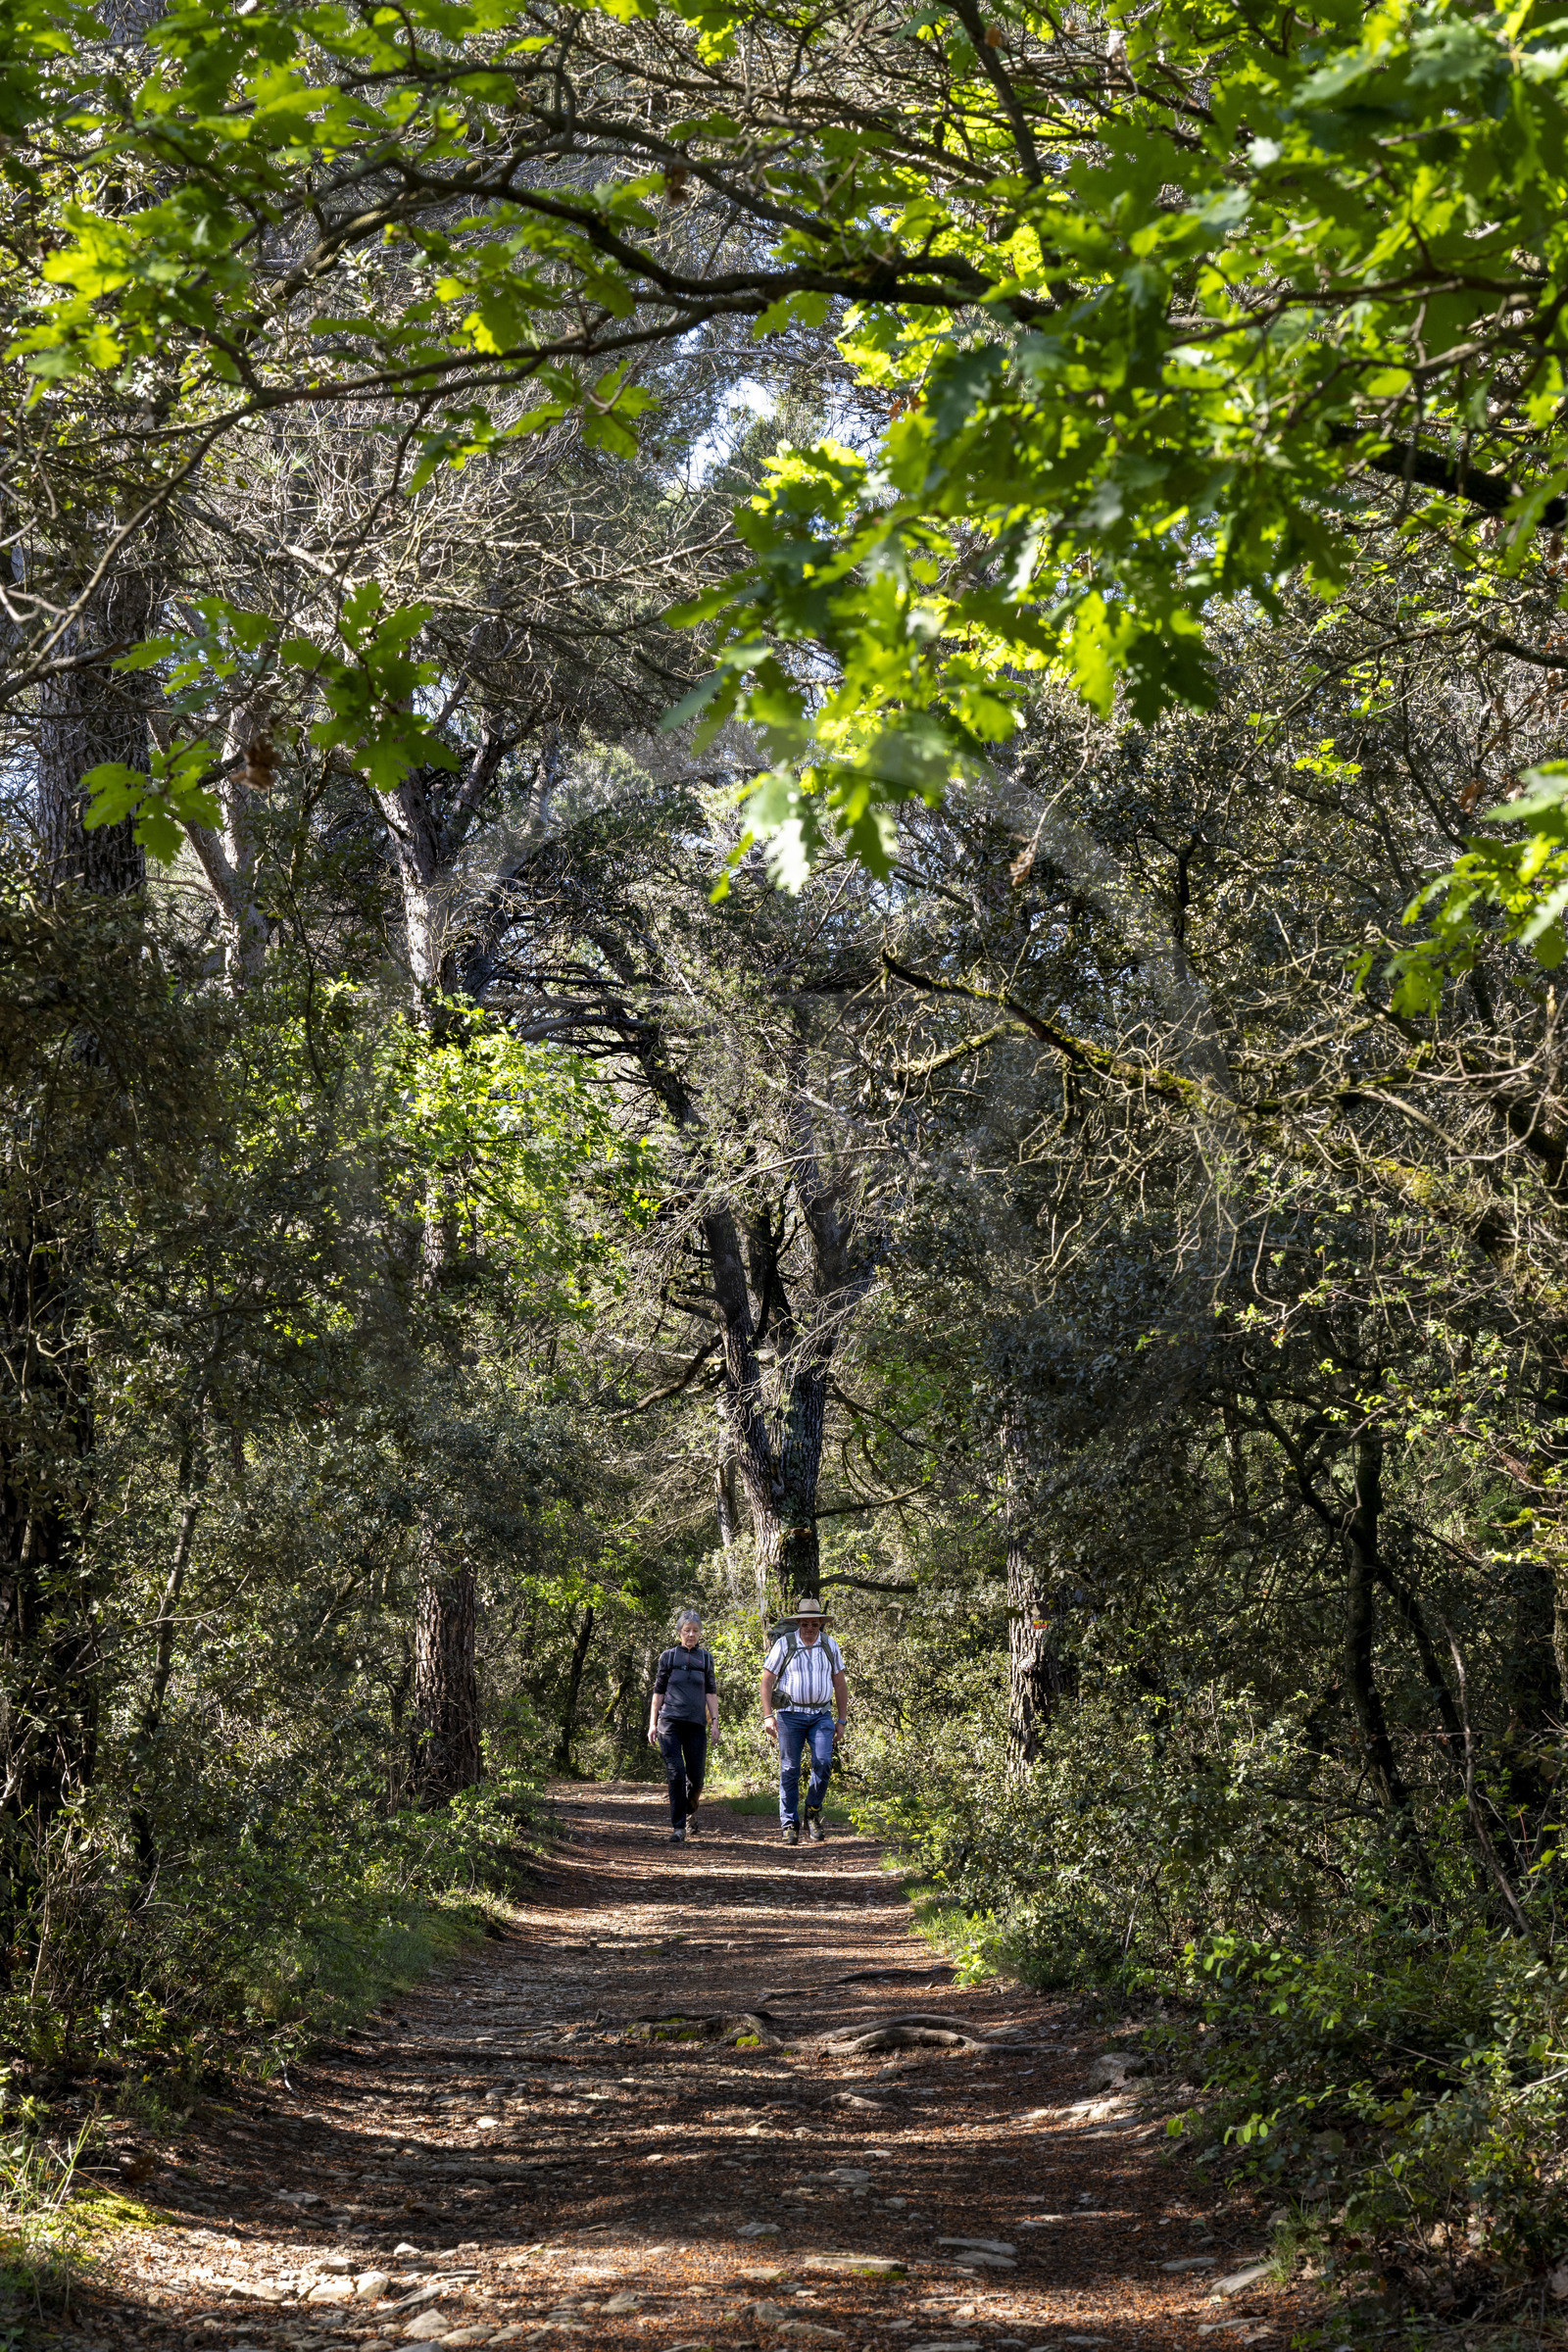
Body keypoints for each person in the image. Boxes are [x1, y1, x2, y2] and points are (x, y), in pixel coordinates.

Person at [760, 1595, 849, 1845]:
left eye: (814, 1624)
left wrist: (841, 1720)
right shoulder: (785, 1644)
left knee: (823, 1762)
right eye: (805, 1624)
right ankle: (789, 1824)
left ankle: (813, 1812)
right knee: (789, 1769)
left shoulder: (830, 1646)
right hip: (790, 1715)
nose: (809, 1629)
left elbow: (839, 1683)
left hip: (822, 1715)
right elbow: (767, 1680)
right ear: (798, 1624)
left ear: (821, 1624)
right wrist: (768, 1716)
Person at [648, 1609, 718, 1844]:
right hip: (669, 1723)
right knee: (676, 1773)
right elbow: (658, 1692)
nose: (691, 1634)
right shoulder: (668, 1657)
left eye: (695, 1631)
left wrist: (715, 1722)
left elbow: (711, 1692)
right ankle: (679, 1827)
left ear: (700, 1633)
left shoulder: (706, 1658)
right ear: (679, 1632)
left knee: (696, 1778)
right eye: (687, 1630)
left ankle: (690, 1806)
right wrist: (652, 1723)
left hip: (696, 1724)